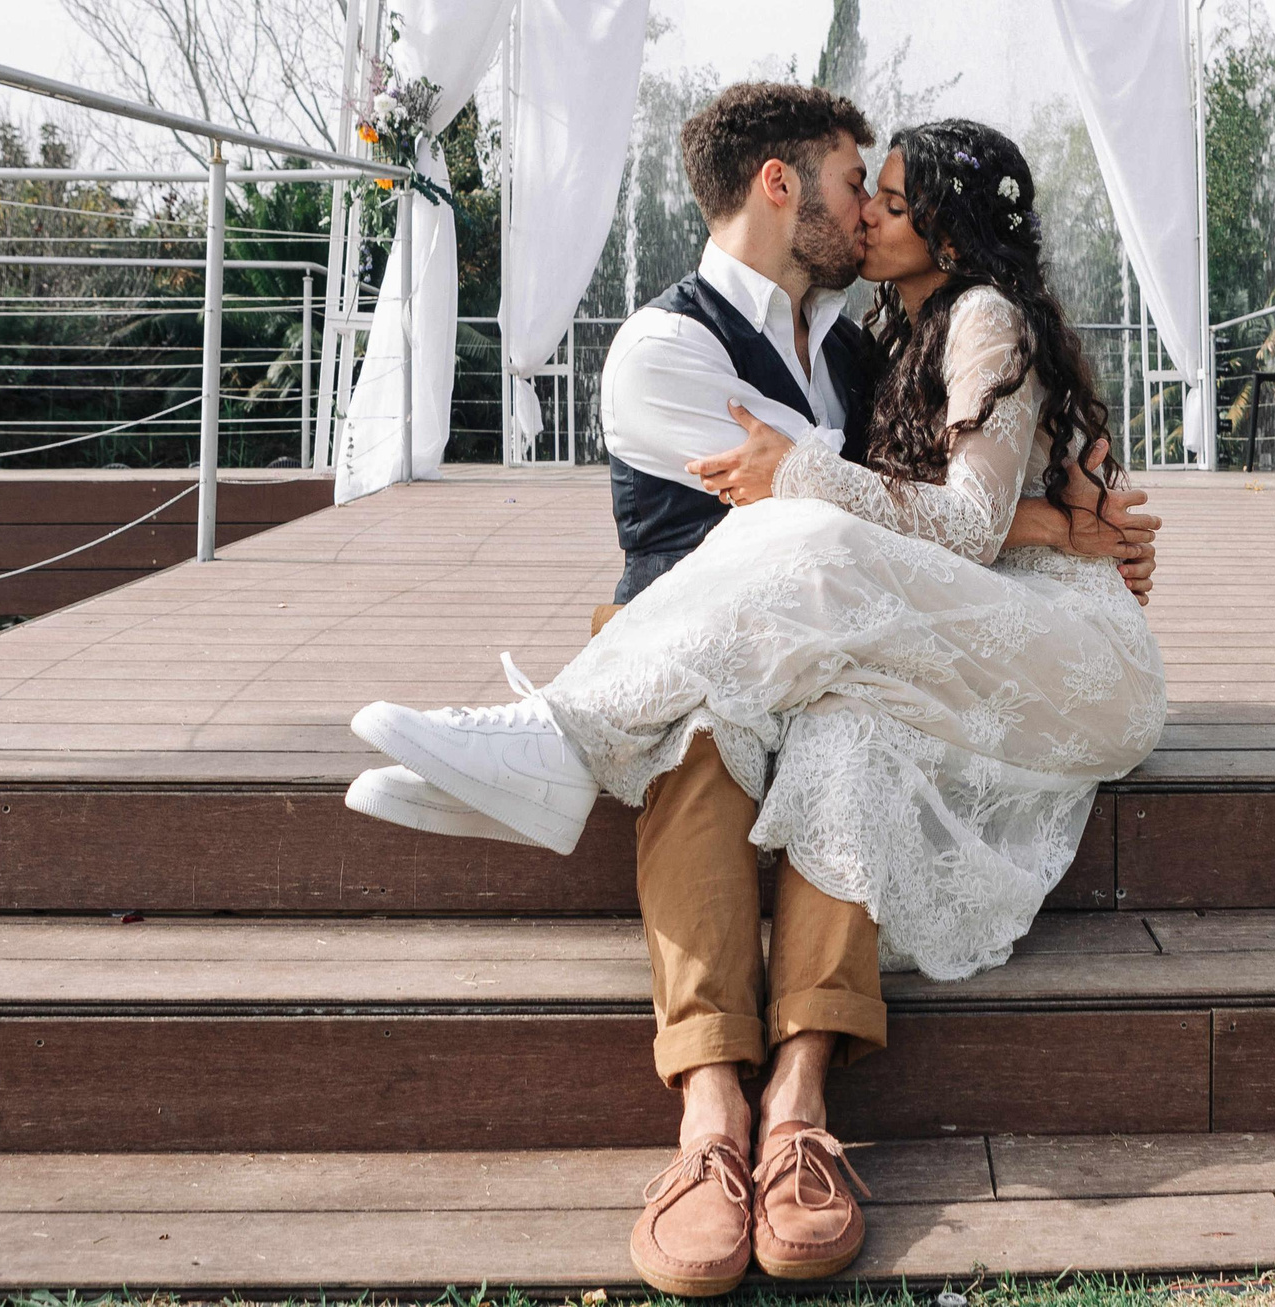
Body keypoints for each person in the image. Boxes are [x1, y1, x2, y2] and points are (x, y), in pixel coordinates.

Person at [349, 94, 1166, 1294]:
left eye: (886, 196)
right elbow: (832, 506)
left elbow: (884, 507)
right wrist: (1062, 521)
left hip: (873, 626)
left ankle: (799, 1099)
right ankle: (713, 1112)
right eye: (854, 183)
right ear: (782, 186)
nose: (864, 210)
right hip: (690, 645)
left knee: (850, 711)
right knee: (705, 727)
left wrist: (1066, 521)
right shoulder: (664, 346)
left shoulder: (872, 334)